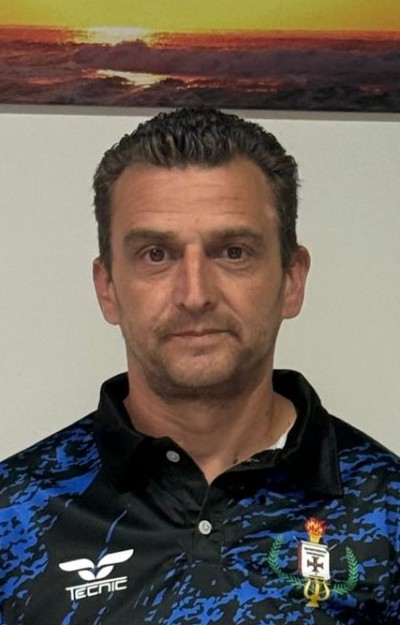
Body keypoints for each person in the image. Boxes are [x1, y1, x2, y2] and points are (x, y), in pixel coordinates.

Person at [0, 108, 399, 625]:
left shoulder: (388, 511)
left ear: (291, 280)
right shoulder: (13, 515)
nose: (194, 294)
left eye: (233, 252)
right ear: (107, 288)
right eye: (156, 254)